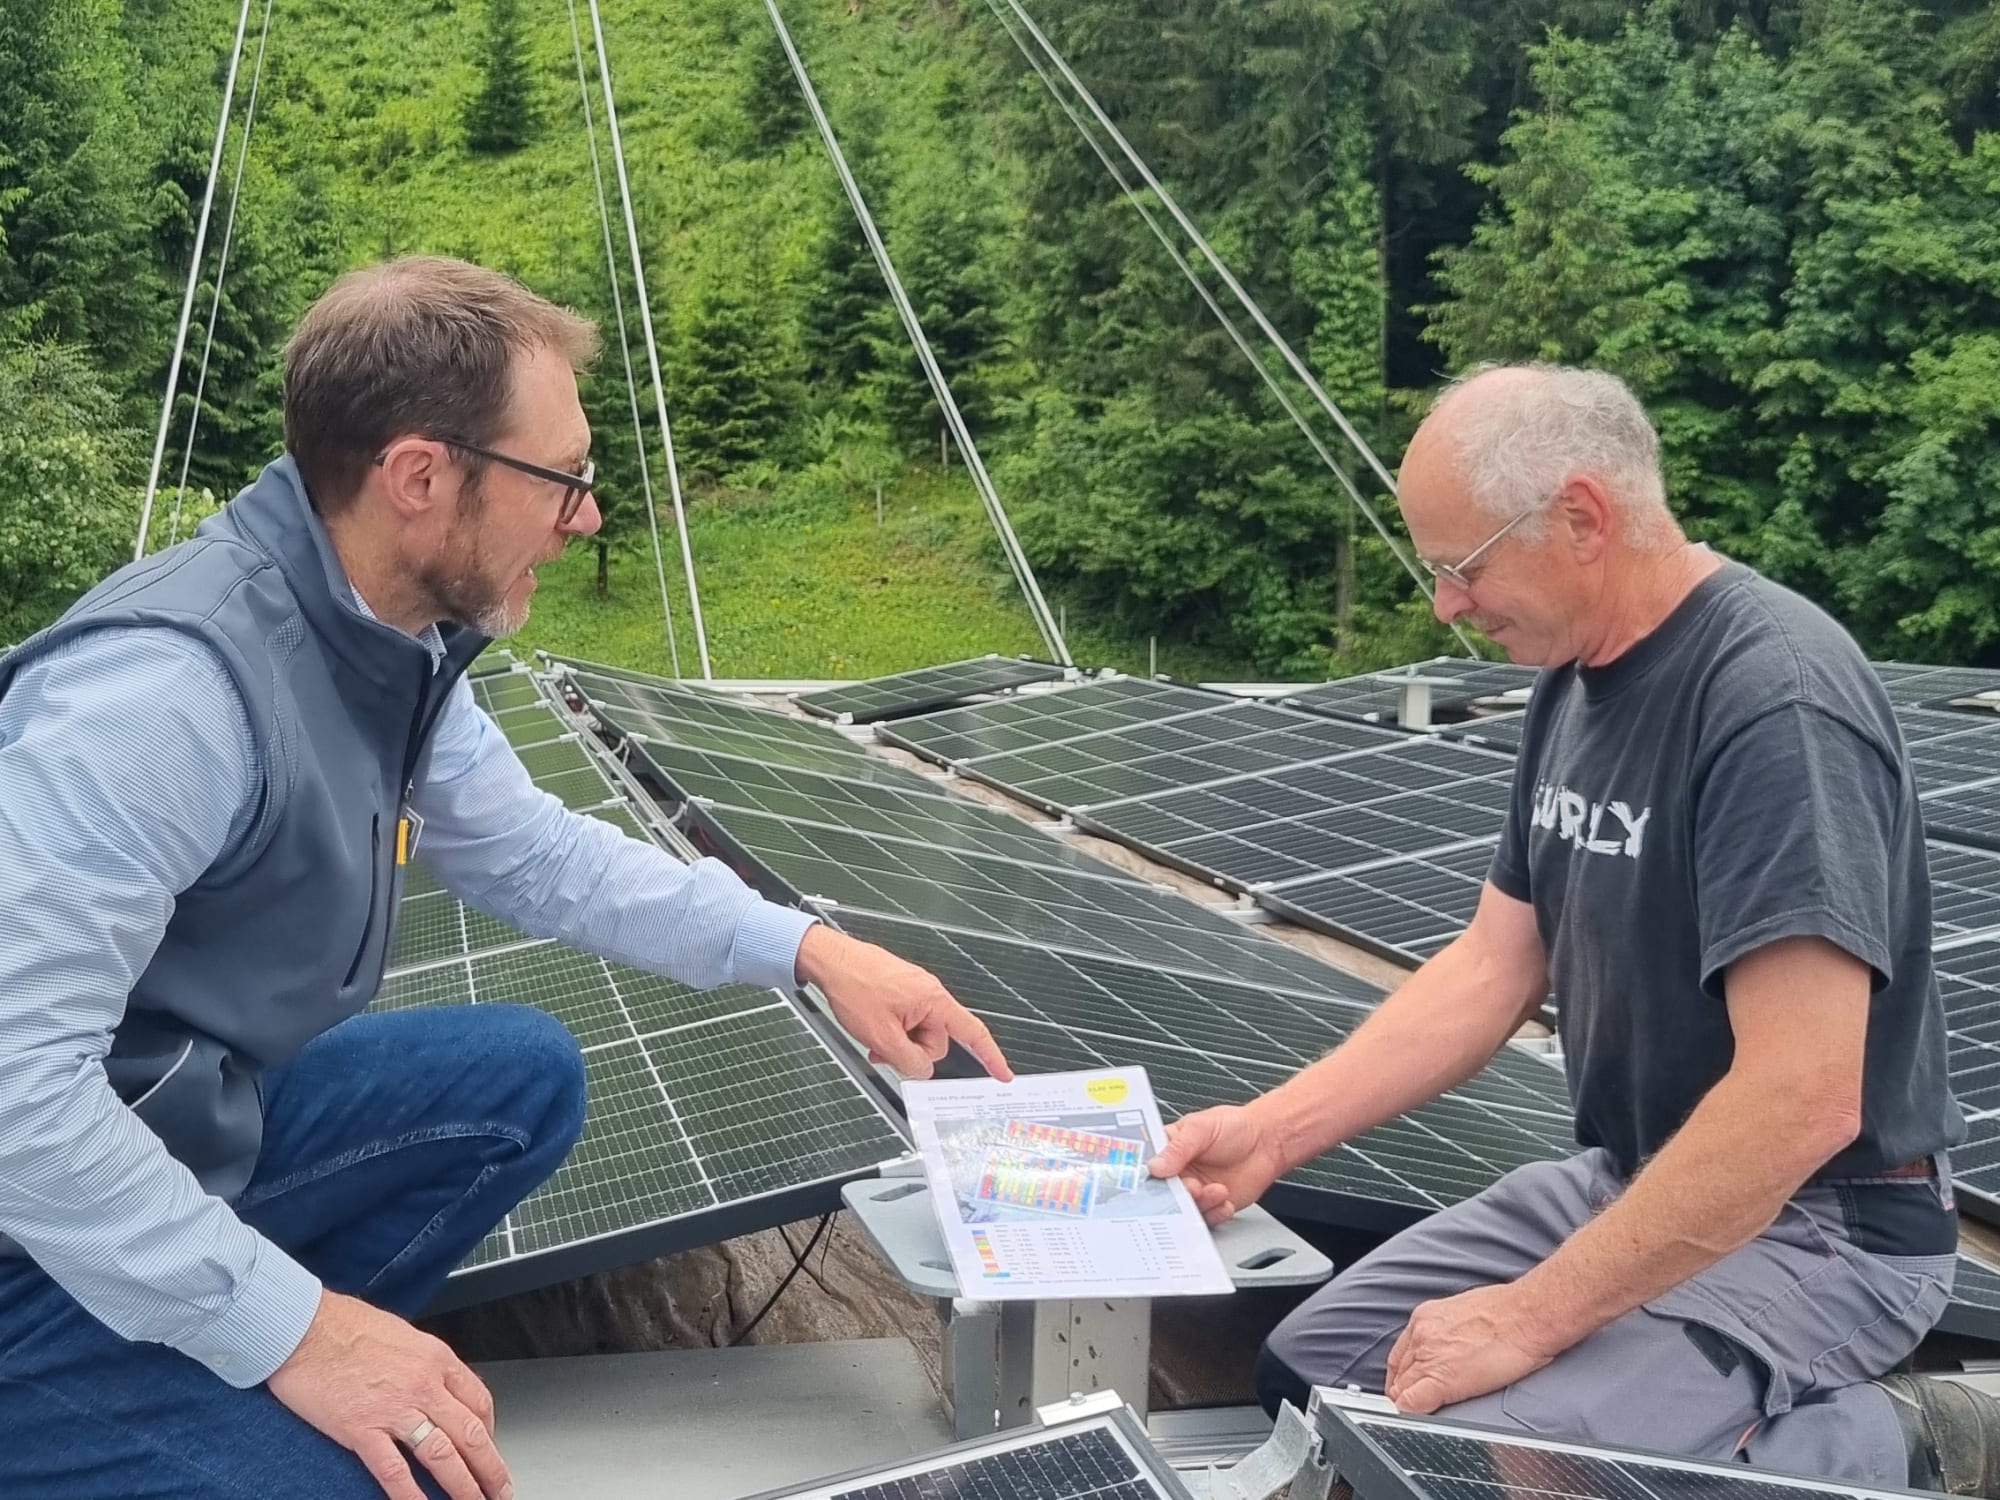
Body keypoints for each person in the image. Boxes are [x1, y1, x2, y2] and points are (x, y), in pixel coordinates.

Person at [0, 255, 1011, 1500]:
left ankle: (206, 1364)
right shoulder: (166, 700)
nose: (586, 515)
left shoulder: (390, 641)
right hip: (23, 1228)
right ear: (420, 476)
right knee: (392, 1486)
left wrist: (808, 949)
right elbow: (12, 1095)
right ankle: (160, 1384)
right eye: (563, 478)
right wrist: (300, 1331)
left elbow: (533, 852)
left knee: (518, 1080)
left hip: (174, 1123)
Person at [1151, 363, 2000, 1493]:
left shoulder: (1770, 699)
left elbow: (1800, 1097)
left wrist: (1532, 1317)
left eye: (1461, 566)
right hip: (1635, 1177)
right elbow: (1492, 966)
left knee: (1519, 1465)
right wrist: (1271, 1134)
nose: (1446, 605)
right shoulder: (1573, 679)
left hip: (1827, 1223)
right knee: (1317, 1373)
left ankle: (1913, 1439)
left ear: (1581, 519)